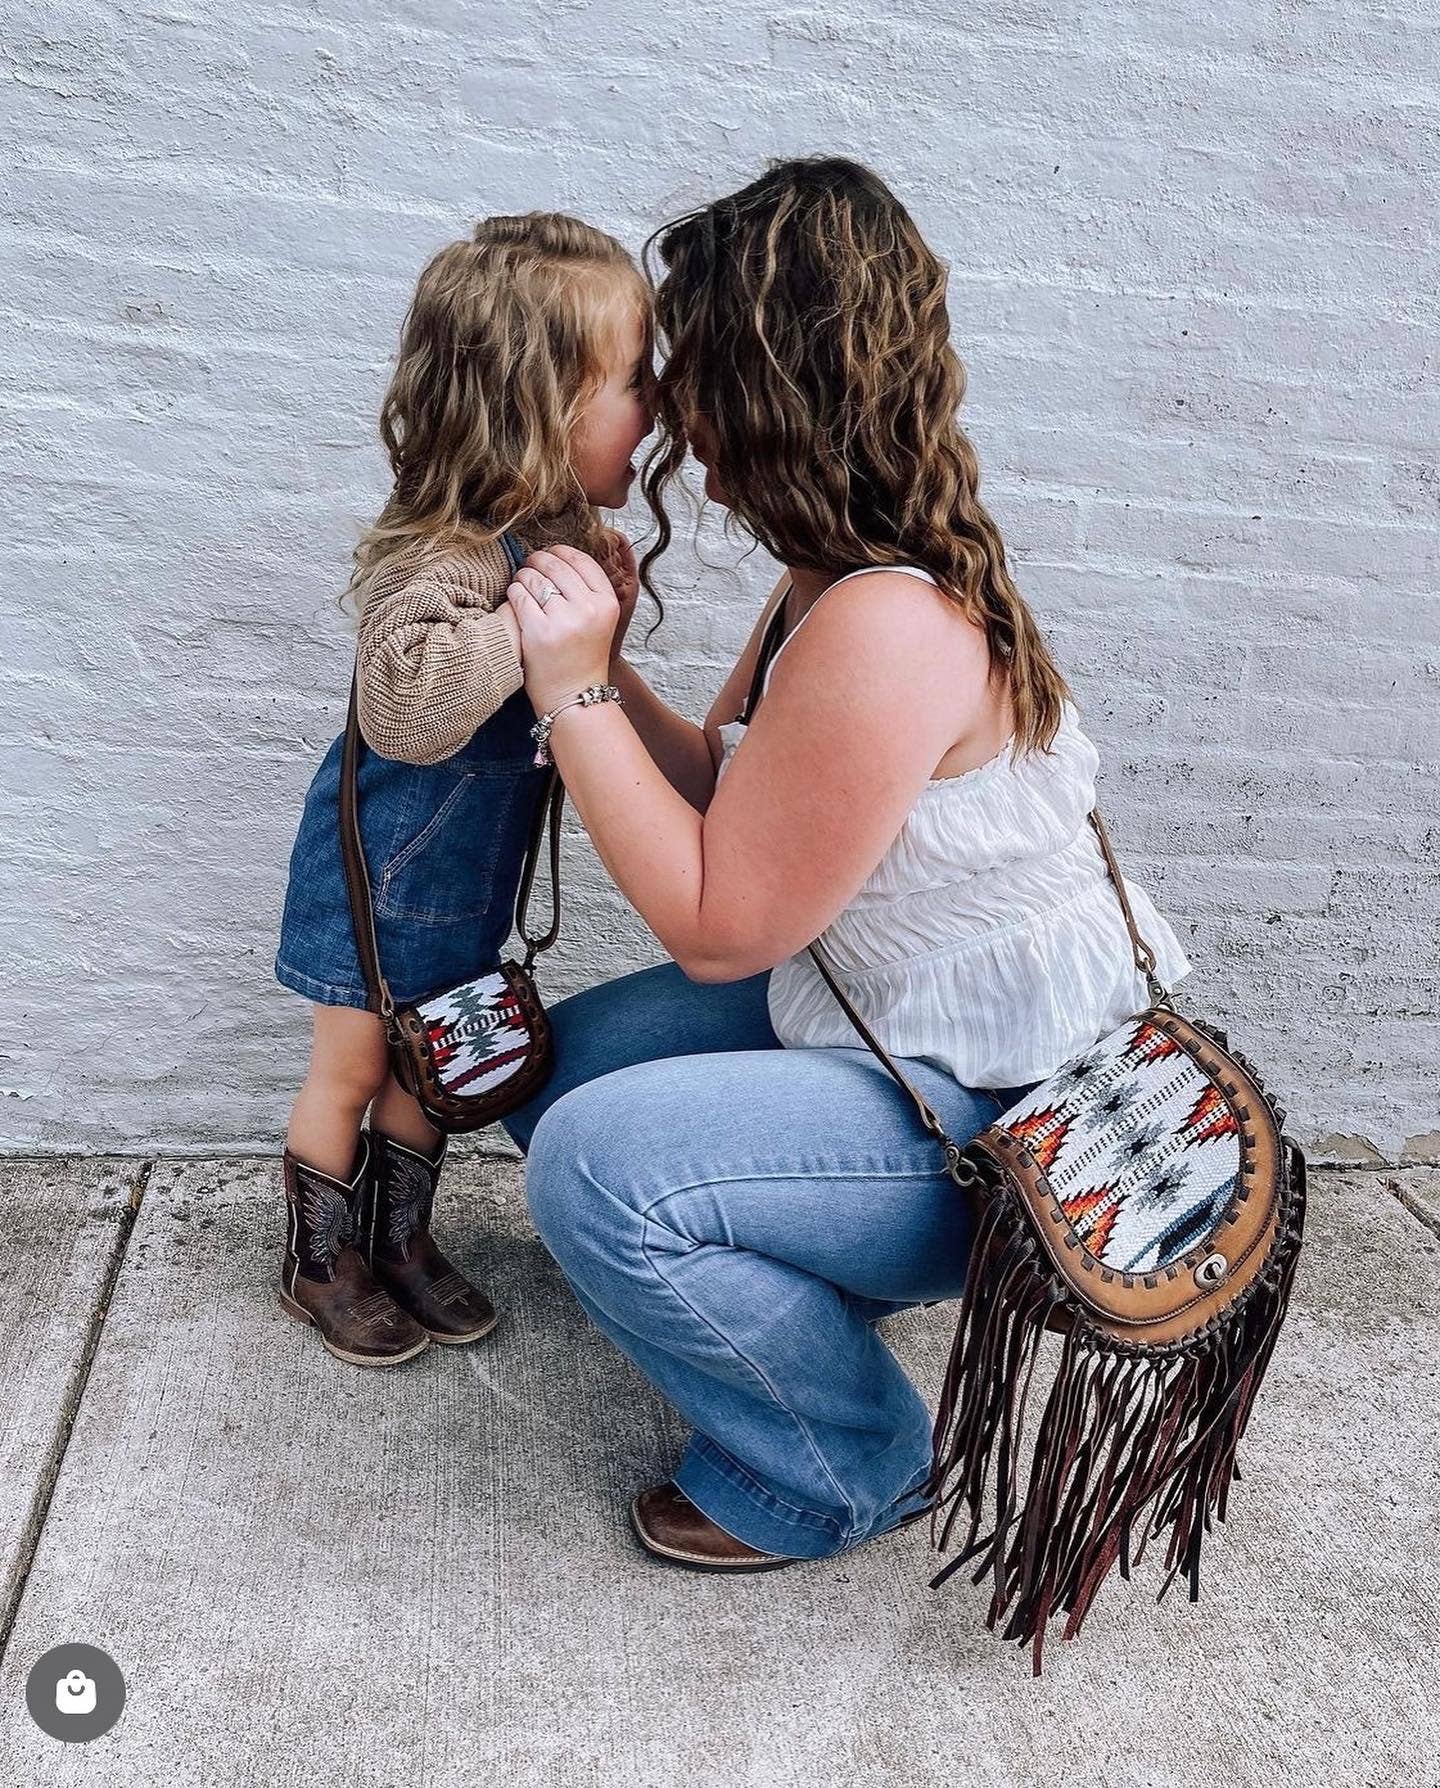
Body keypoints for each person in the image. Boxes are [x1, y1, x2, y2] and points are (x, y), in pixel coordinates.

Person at [494, 155, 1194, 1571]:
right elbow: (721, 793)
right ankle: (787, 1283)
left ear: (768, 379)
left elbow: (718, 926)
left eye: (687, 362)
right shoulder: (831, 575)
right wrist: (606, 666)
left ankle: (847, 1466)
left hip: (1002, 1127)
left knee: (597, 1170)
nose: (668, 404)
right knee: (554, 1076)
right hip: (895, 1018)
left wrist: (568, 695)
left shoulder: (888, 621)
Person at [271, 213, 654, 1367]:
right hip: (377, 887)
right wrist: (532, 624)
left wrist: (598, 614)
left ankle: (400, 1241)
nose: (657, 410)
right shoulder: (443, 550)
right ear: (540, 405)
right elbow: (404, 707)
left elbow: (567, 689)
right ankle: (319, 1261)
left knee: (435, 1077)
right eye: (633, 382)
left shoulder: (546, 534)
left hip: (463, 884)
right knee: (352, 1068)